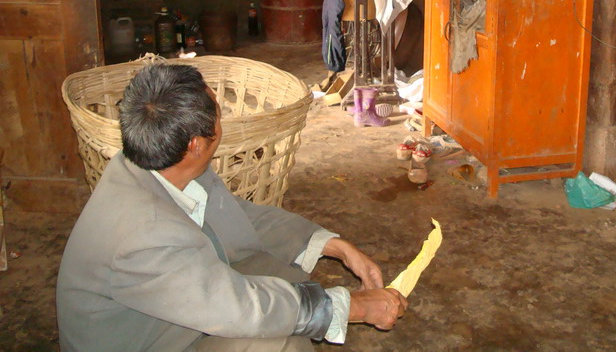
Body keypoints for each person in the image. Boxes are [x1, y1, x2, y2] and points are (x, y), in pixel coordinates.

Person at [56, 63, 407, 351]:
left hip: (173, 303)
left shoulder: (158, 161)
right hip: (146, 339)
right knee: (282, 342)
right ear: (196, 145)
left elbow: (235, 215)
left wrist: (336, 246)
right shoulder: (143, 235)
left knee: (290, 282)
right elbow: (240, 307)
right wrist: (354, 307)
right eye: (219, 116)